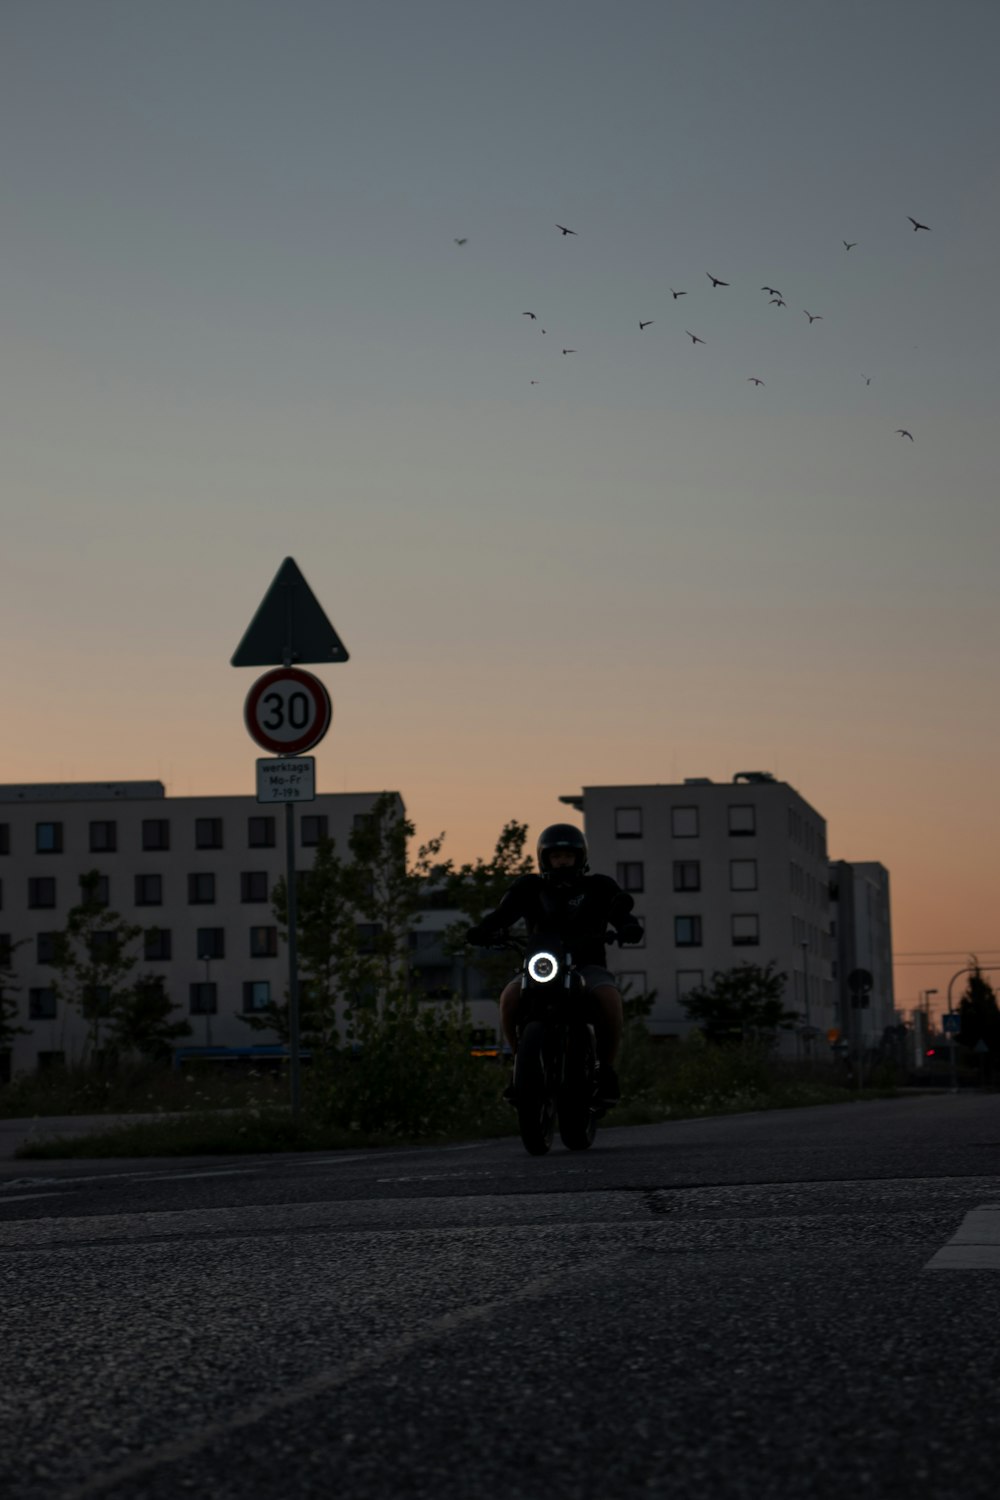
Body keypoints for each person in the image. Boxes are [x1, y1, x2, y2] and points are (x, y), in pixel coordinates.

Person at [465, 823, 644, 1107]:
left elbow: (620, 912)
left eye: (568, 856)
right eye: (555, 856)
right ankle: (518, 1070)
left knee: (609, 998)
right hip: (542, 967)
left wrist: (629, 926)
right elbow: (503, 914)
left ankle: (606, 1071)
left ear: (580, 857)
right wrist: (482, 930)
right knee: (509, 998)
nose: (562, 861)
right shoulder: (529, 887)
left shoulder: (598, 886)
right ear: (544, 859)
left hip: (588, 965)